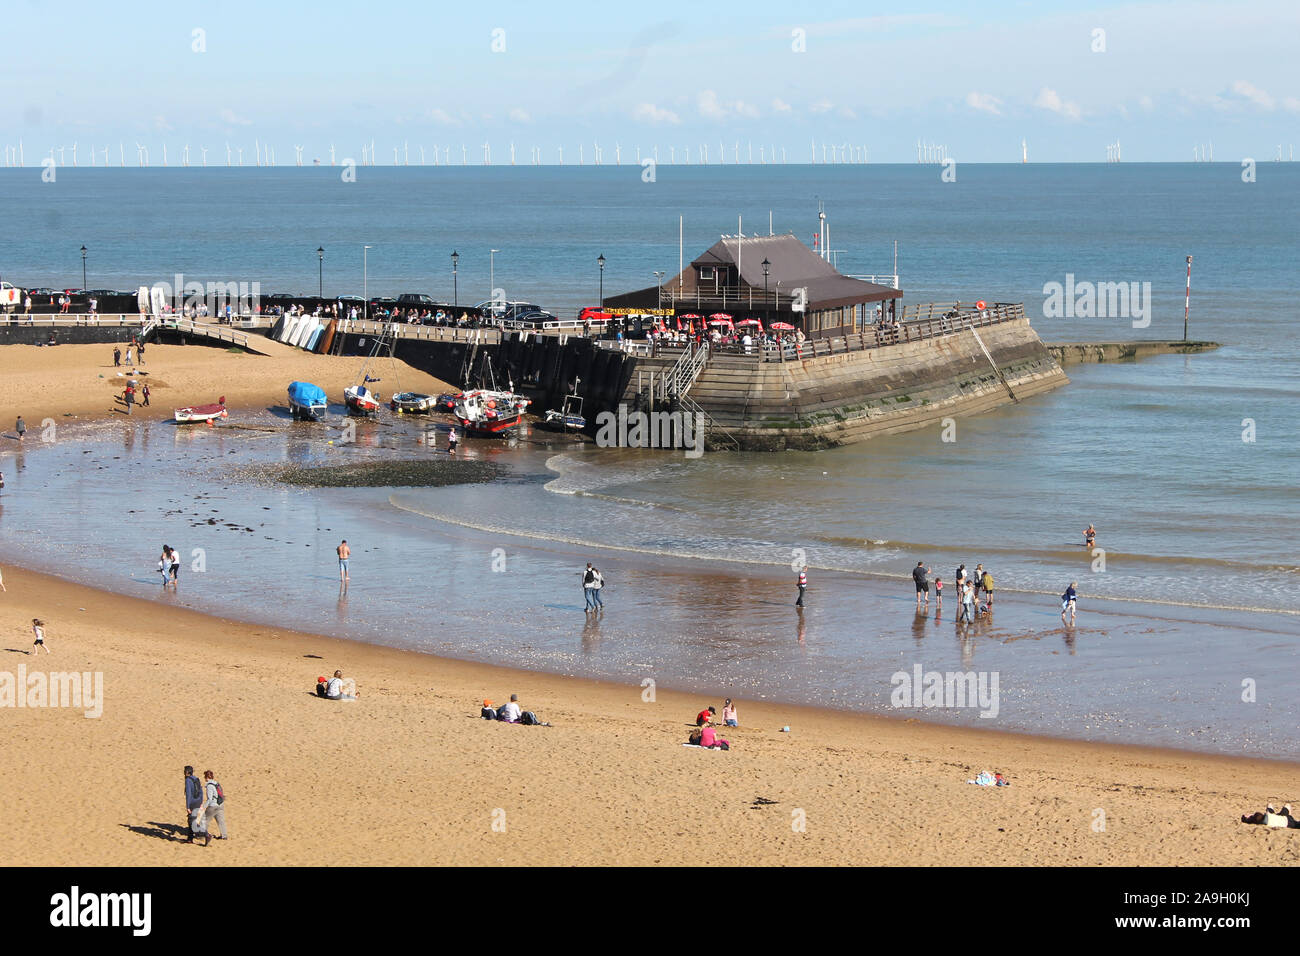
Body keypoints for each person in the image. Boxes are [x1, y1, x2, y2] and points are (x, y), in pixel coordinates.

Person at [196, 770, 229, 844]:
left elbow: (210, 799)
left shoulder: (209, 786)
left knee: (204, 820)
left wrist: (203, 807)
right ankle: (224, 835)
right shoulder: (216, 783)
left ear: (206, 777)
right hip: (220, 804)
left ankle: (202, 835)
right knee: (221, 820)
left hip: (213, 806)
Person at [184, 766, 205, 843]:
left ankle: (203, 834)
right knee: (194, 819)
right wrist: (201, 801)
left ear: (187, 772)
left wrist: (188, 806)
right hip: (198, 801)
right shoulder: (196, 779)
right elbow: (201, 791)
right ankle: (191, 838)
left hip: (192, 802)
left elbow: (188, 794)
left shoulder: (188, 780)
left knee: (191, 820)